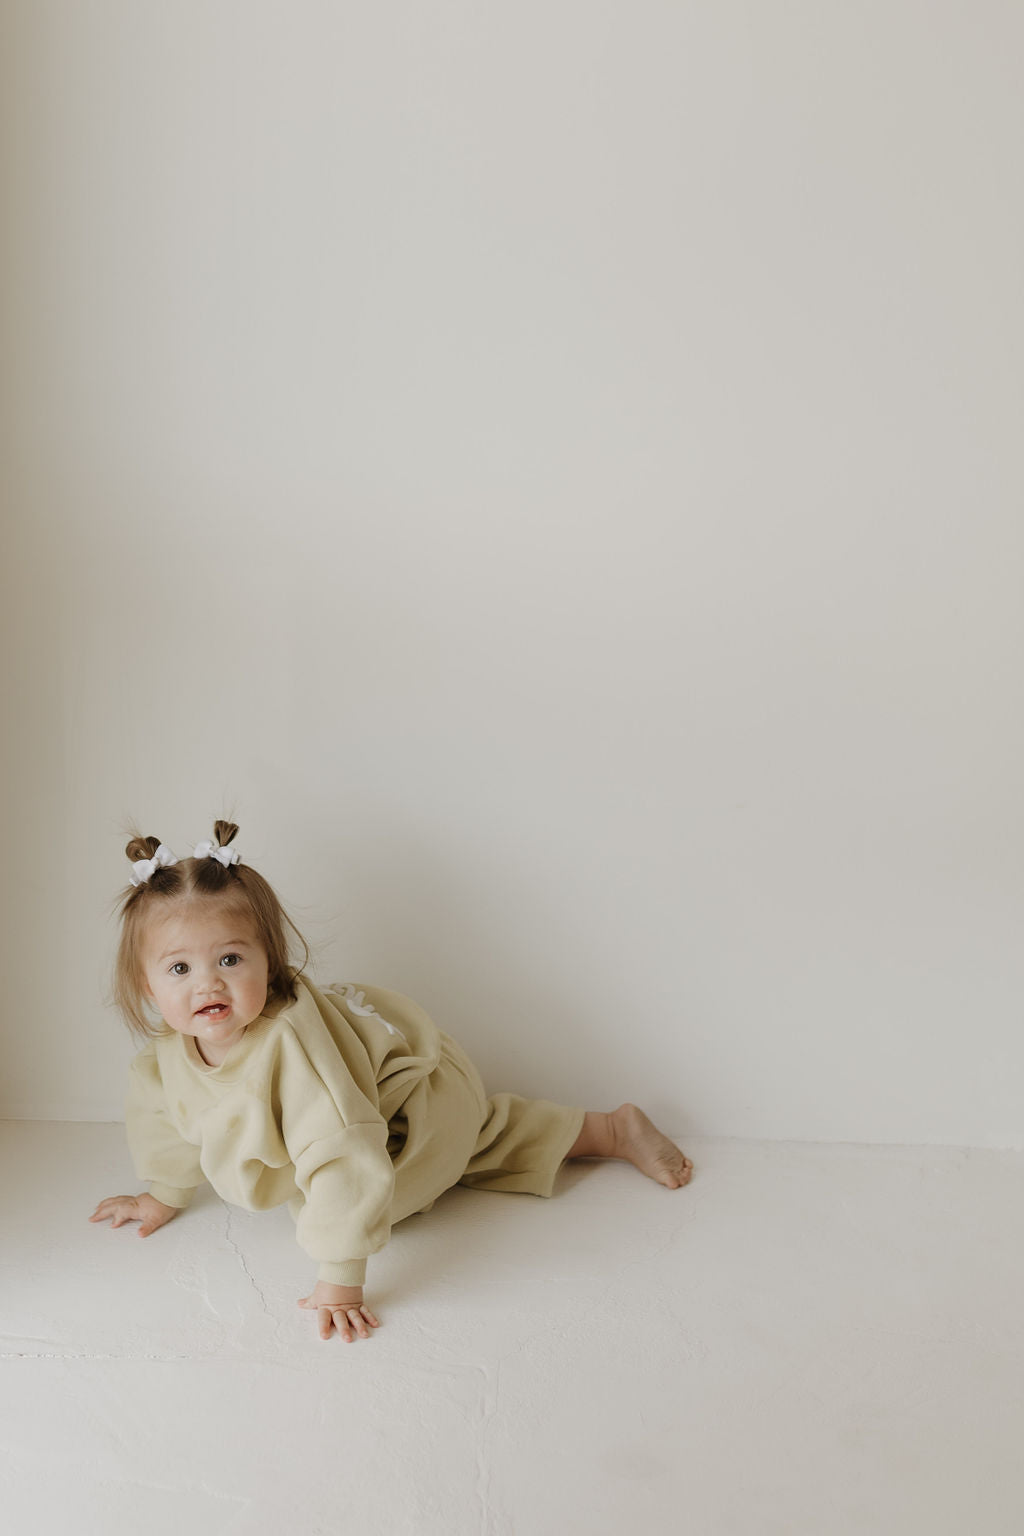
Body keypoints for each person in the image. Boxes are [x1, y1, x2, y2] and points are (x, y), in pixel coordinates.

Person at [90, 822, 693, 1342]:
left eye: (230, 959)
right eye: (179, 968)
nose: (209, 985)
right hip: (379, 1087)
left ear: (267, 962)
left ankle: (609, 1132)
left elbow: (345, 1158)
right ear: (149, 985)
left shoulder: (292, 1049)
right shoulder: (164, 1060)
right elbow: (163, 1120)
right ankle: (609, 1127)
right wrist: (164, 1194)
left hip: (412, 1103)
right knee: (485, 1135)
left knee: (463, 1145)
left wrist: (340, 1280)